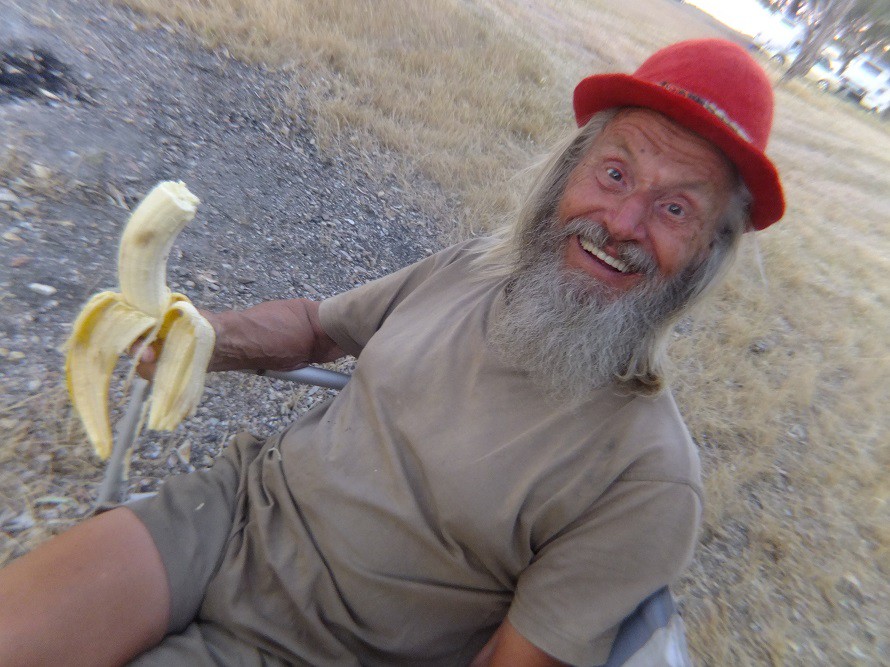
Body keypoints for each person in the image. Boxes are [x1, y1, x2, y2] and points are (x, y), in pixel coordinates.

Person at [0, 38, 784, 666]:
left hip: (321, 648)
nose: (622, 222)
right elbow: (317, 326)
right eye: (614, 172)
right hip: (228, 515)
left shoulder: (647, 477)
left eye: (674, 209)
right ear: (566, 173)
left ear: (707, 255)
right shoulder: (470, 269)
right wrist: (202, 336)